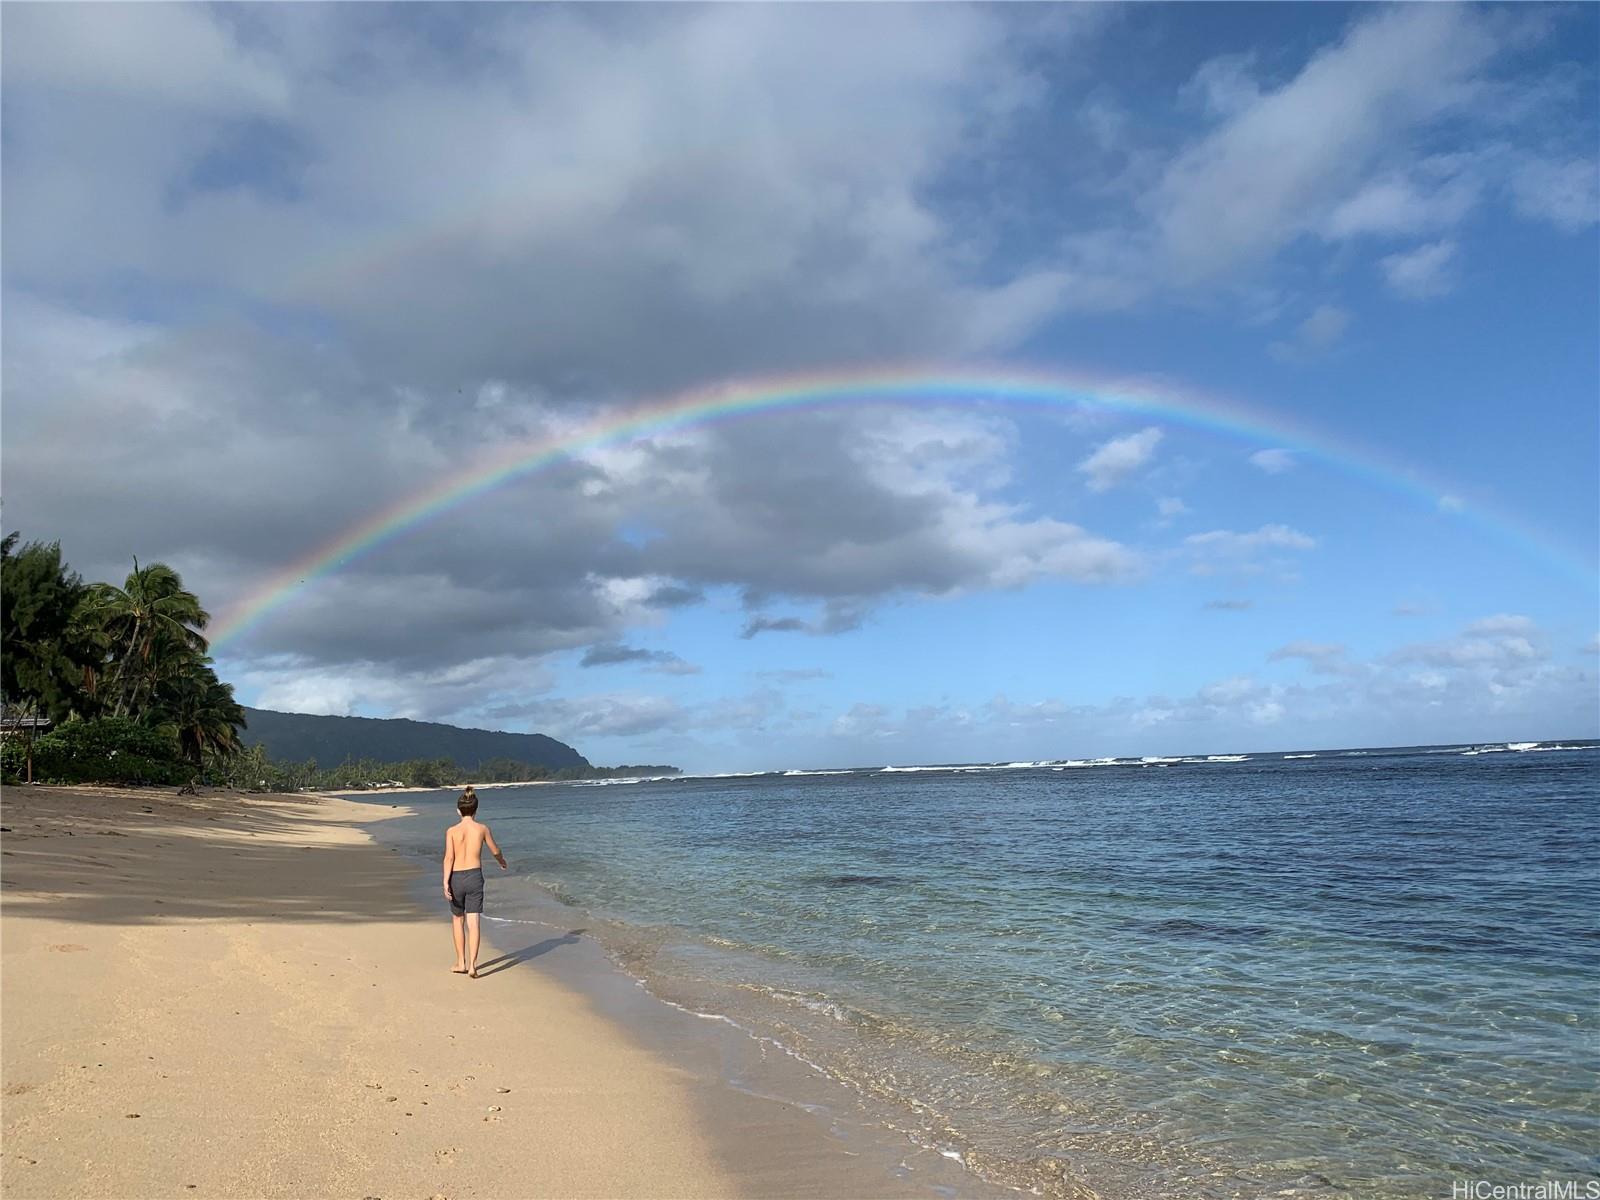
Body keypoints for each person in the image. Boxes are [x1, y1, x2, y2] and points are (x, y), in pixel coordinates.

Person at [442, 785, 507, 977]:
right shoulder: (482, 829)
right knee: (474, 921)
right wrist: (502, 861)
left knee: (457, 919)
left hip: (456, 877)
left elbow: (449, 858)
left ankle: (460, 962)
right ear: (476, 810)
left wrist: (446, 881)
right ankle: (472, 966)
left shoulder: (452, 831)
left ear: (458, 810)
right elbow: (495, 850)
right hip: (474, 877)